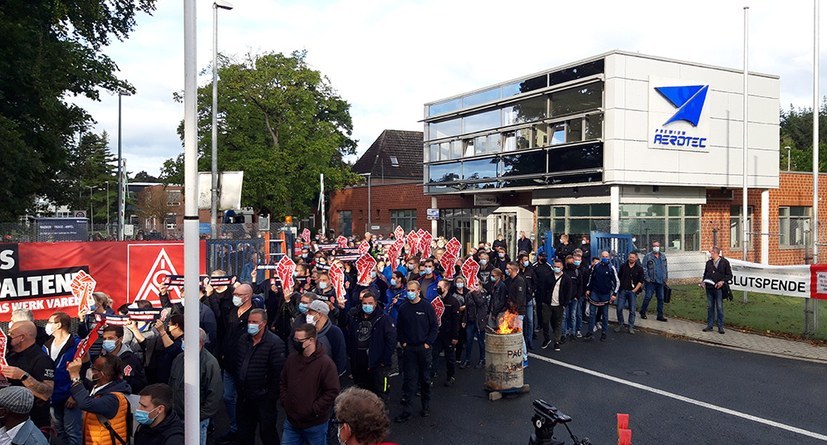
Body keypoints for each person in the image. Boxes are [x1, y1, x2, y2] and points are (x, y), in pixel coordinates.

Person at [280, 324, 341, 445]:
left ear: (311, 340)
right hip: (292, 422)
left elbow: (332, 391)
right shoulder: (292, 359)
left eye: (299, 340)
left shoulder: (325, 364)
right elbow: (283, 381)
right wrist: (285, 401)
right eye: (295, 340)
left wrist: (314, 409)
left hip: (315, 424)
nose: (296, 343)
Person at [233, 308, 286, 445]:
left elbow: (278, 373)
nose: (251, 324)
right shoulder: (243, 339)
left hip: (264, 400)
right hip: (244, 397)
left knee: (267, 433)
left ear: (263, 323)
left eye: (254, 322)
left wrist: (269, 395)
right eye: (249, 321)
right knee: (244, 434)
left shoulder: (275, 343)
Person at [169, 328, 223, 445]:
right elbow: (172, 385)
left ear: (201, 342)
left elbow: (214, 395)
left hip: (197, 420)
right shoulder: (179, 359)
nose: (185, 342)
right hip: (177, 417)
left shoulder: (210, 363)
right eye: (184, 339)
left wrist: (199, 416)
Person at [394, 280, 438, 423]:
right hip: (409, 348)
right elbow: (399, 327)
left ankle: (426, 406)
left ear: (418, 291)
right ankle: (407, 410)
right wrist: (403, 342)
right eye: (408, 290)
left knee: (425, 379)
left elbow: (434, 326)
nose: (410, 293)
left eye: (413, 290)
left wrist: (427, 343)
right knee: (409, 379)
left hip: (423, 348)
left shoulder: (426, 306)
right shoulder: (404, 307)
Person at [218, 283, 256, 444]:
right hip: (229, 363)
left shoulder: (253, 316)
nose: (234, 297)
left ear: (247, 296)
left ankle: (244, 430)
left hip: (244, 366)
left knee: (244, 400)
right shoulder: (232, 311)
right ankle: (234, 427)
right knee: (227, 396)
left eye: (238, 294)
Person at [67, 354, 131, 445]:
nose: (90, 371)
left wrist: (75, 378)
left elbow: (85, 403)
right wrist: (85, 360)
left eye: (93, 369)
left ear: (101, 374)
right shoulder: (100, 387)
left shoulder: (113, 399)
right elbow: (85, 383)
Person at [2, 321, 54, 429]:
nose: (8, 337)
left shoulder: (41, 359)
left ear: (22, 337)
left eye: (11, 334)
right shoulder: (10, 354)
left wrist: (23, 376)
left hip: (33, 423)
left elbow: (47, 393)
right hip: (8, 421)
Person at [346, 292, 397, 401]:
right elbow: (350, 335)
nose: (367, 306)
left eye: (370, 303)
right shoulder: (355, 317)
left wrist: (384, 359)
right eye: (365, 303)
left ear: (375, 304)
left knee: (379, 395)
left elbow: (391, 341)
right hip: (359, 362)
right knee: (360, 393)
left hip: (377, 364)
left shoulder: (384, 319)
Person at [45, 311, 82, 445]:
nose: (47, 325)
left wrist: (75, 395)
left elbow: (84, 371)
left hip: (69, 397)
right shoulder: (47, 345)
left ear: (59, 325)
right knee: (58, 432)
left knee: (73, 433)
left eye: (49, 322)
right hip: (53, 397)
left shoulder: (77, 344)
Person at [305, 299, 348, 377]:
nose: (307, 314)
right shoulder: (308, 330)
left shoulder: (334, 332)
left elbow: (340, 357)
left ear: (319, 315)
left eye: (310, 312)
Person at [430, 279, 460, 387]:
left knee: (449, 357)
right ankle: (432, 375)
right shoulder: (437, 301)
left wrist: (455, 336)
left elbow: (456, 321)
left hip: (448, 334)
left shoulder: (453, 302)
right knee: (434, 355)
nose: (438, 288)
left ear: (446, 288)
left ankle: (450, 376)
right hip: (437, 333)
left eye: (440, 286)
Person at [101, 325, 147, 393]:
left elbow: (129, 383)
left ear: (120, 339)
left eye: (110, 338)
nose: (106, 341)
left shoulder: (129, 359)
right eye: (104, 339)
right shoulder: (103, 355)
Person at [585, 251, 619, 341]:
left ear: (609, 257)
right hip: (595, 293)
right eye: (603, 256)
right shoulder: (596, 266)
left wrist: (614, 294)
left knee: (605, 314)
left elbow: (617, 282)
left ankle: (604, 332)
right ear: (600, 257)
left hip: (605, 294)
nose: (605, 258)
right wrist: (588, 289)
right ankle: (590, 331)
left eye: (606, 256)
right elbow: (591, 278)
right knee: (592, 313)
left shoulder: (611, 268)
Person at [542, 259, 572, 351]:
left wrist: (565, 303)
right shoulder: (548, 276)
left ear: (562, 267)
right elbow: (543, 288)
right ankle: (547, 339)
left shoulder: (566, 278)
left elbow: (568, 292)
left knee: (557, 324)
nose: (556, 268)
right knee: (545, 322)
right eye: (555, 266)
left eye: (558, 267)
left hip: (559, 305)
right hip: (548, 304)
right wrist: (543, 300)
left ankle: (556, 341)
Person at [702, 247, 733, 334]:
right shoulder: (708, 263)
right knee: (710, 306)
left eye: (711, 252)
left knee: (719, 307)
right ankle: (710, 325)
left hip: (719, 288)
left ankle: (720, 326)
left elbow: (729, 275)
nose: (710, 254)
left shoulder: (724, 262)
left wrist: (722, 281)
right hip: (709, 288)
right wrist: (703, 282)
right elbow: (705, 274)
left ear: (716, 253)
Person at [460, 278, 488, 369]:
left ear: (480, 285)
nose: (474, 287)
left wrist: (474, 293)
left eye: (476, 285)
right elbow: (467, 308)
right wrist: (464, 320)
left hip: (480, 321)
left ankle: (482, 359)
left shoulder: (483, 293)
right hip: (471, 321)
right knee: (469, 341)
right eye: (473, 284)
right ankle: (467, 360)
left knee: (481, 341)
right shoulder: (468, 295)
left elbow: (480, 303)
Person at [616, 252, 644, 334]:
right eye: (630, 257)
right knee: (619, 308)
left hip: (632, 292)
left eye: (633, 257)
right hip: (623, 291)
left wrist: (635, 290)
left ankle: (631, 326)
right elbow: (618, 277)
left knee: (632, 310)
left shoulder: (639, 269)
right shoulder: (623, 266)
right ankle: (620, 323)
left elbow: (640, 281)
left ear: (636, 258)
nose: (631, 258)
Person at [640, 240, 669, 322]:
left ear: (659, 246)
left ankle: (660, 315)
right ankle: (643, 311)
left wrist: (666, 277)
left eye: (657, 245)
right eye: (654, 246)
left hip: (660, 281)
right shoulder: (648, 256)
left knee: (661, 298)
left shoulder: (663, 256)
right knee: (648, 297)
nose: (656, 247)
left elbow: (665, 267)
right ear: (652, 247)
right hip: (651, 282)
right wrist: (647, 278)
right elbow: (644, 268)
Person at [561, 255, 582, 342]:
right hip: (565, 298)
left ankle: (572, 333)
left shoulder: (576, 272)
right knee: (564, 316)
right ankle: (563, 334)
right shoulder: (563, 273)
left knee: (573, 316)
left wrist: (577, 296)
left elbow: (580, 285)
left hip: (574, 298)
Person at [518, 253, 537, 350]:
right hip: (520, 300)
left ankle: (529, 340)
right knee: (522, 321)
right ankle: (522, 340)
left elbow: (535, 282)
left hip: (528, 298)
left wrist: (531, 291)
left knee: (530, 321)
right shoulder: (517, 272)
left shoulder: (530, 271)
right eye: (524, 260)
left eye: (527, 260)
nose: (526, 262)